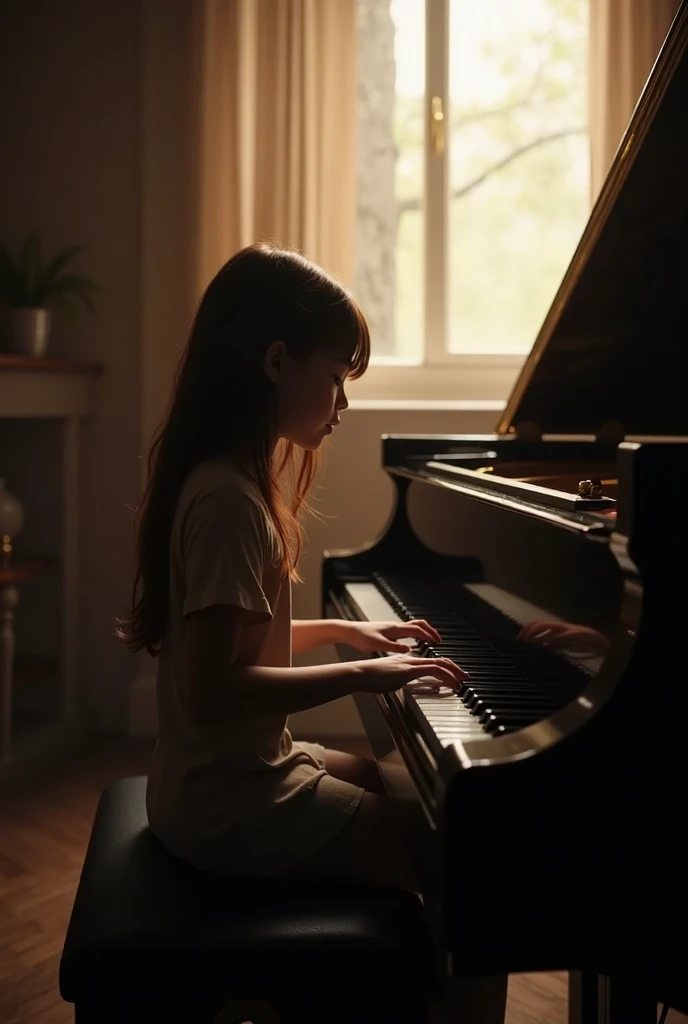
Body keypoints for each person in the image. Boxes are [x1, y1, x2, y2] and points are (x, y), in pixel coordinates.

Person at [116, 242, 506, 1023]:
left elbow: (238, 645)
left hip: (211, 783)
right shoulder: (232, 505)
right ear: (275, 362)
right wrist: (368, 677)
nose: (342, 402)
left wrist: (347, 636)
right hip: (231, 808)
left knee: (390, 783)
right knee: (476, 861)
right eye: (334, 376)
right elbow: (217, 687)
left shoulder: (224, 480)